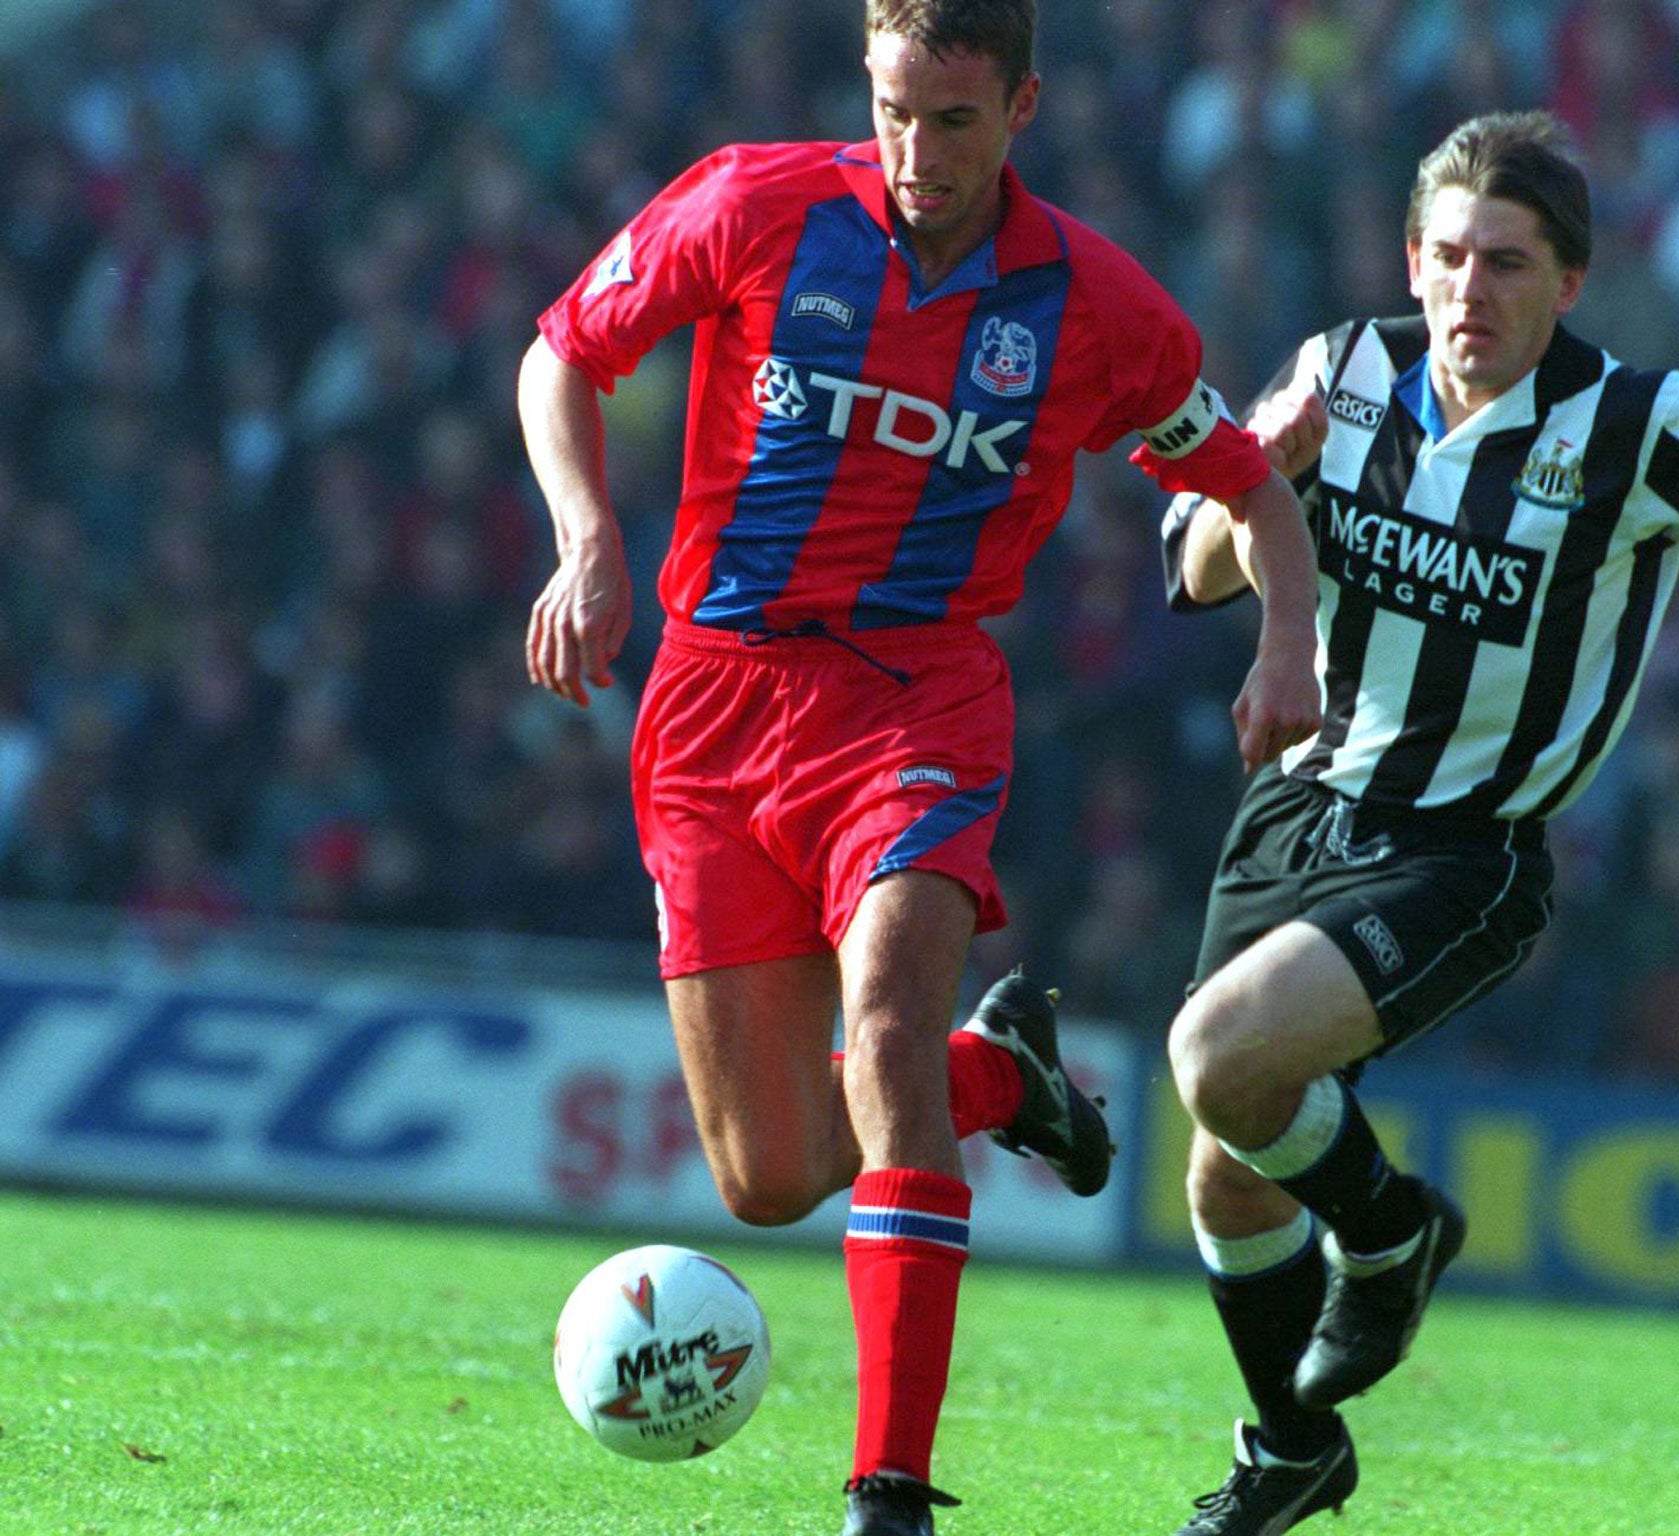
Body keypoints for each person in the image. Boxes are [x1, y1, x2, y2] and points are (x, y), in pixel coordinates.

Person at [516, 4, 1323, 1534]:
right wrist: (588, 539)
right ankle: (1002, 1074)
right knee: (766, 1175)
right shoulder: (754, 204)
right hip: (710, 707)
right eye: (894, 110)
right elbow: (562, 353)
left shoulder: (1093, 304)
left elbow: (1245, 484)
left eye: (953, 122)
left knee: (883, 1026)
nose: (916, 151)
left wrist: (1286, 647)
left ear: (1021, 109)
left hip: (915, 701)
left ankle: (888, 1490)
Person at [1155, 110, 1679, 1536]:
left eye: (1504, 262)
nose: (1466, 290)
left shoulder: (1641, 425)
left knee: (1211, 1057)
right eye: (1445, 257)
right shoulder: (1340, 369)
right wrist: (1268, 469)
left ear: (1570, 281)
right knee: (1228, 1168)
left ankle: (1391, 1230)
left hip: (1463, 851)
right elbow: (1198, 569)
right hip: (1299, 810)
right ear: (1407, 259)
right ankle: (1293, 1450)